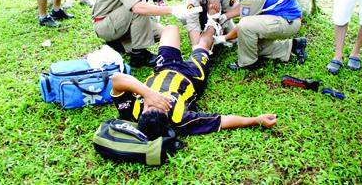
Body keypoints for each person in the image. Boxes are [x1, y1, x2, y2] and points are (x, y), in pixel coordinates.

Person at [110, 24, 277, 140]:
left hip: (163, 67)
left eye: (149, 106)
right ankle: (213, 20)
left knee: (171, 29)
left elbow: (117, 79)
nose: (156, 102)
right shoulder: (181, 120)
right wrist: (256, 120)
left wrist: (147, 94)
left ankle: (196, 28)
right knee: (202, 45)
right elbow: (221, 121)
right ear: (167, 116)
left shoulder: (131, 112)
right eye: (160, 106)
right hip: (191, 75)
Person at [214, 0, 307, 70]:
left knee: (245, 26)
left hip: (288, 21)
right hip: (281, 16)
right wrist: (226, 16)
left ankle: (248, 63)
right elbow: (245, 5)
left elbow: (242, 27)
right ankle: (294, 46)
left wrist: (223, 38)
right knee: (249, 45)